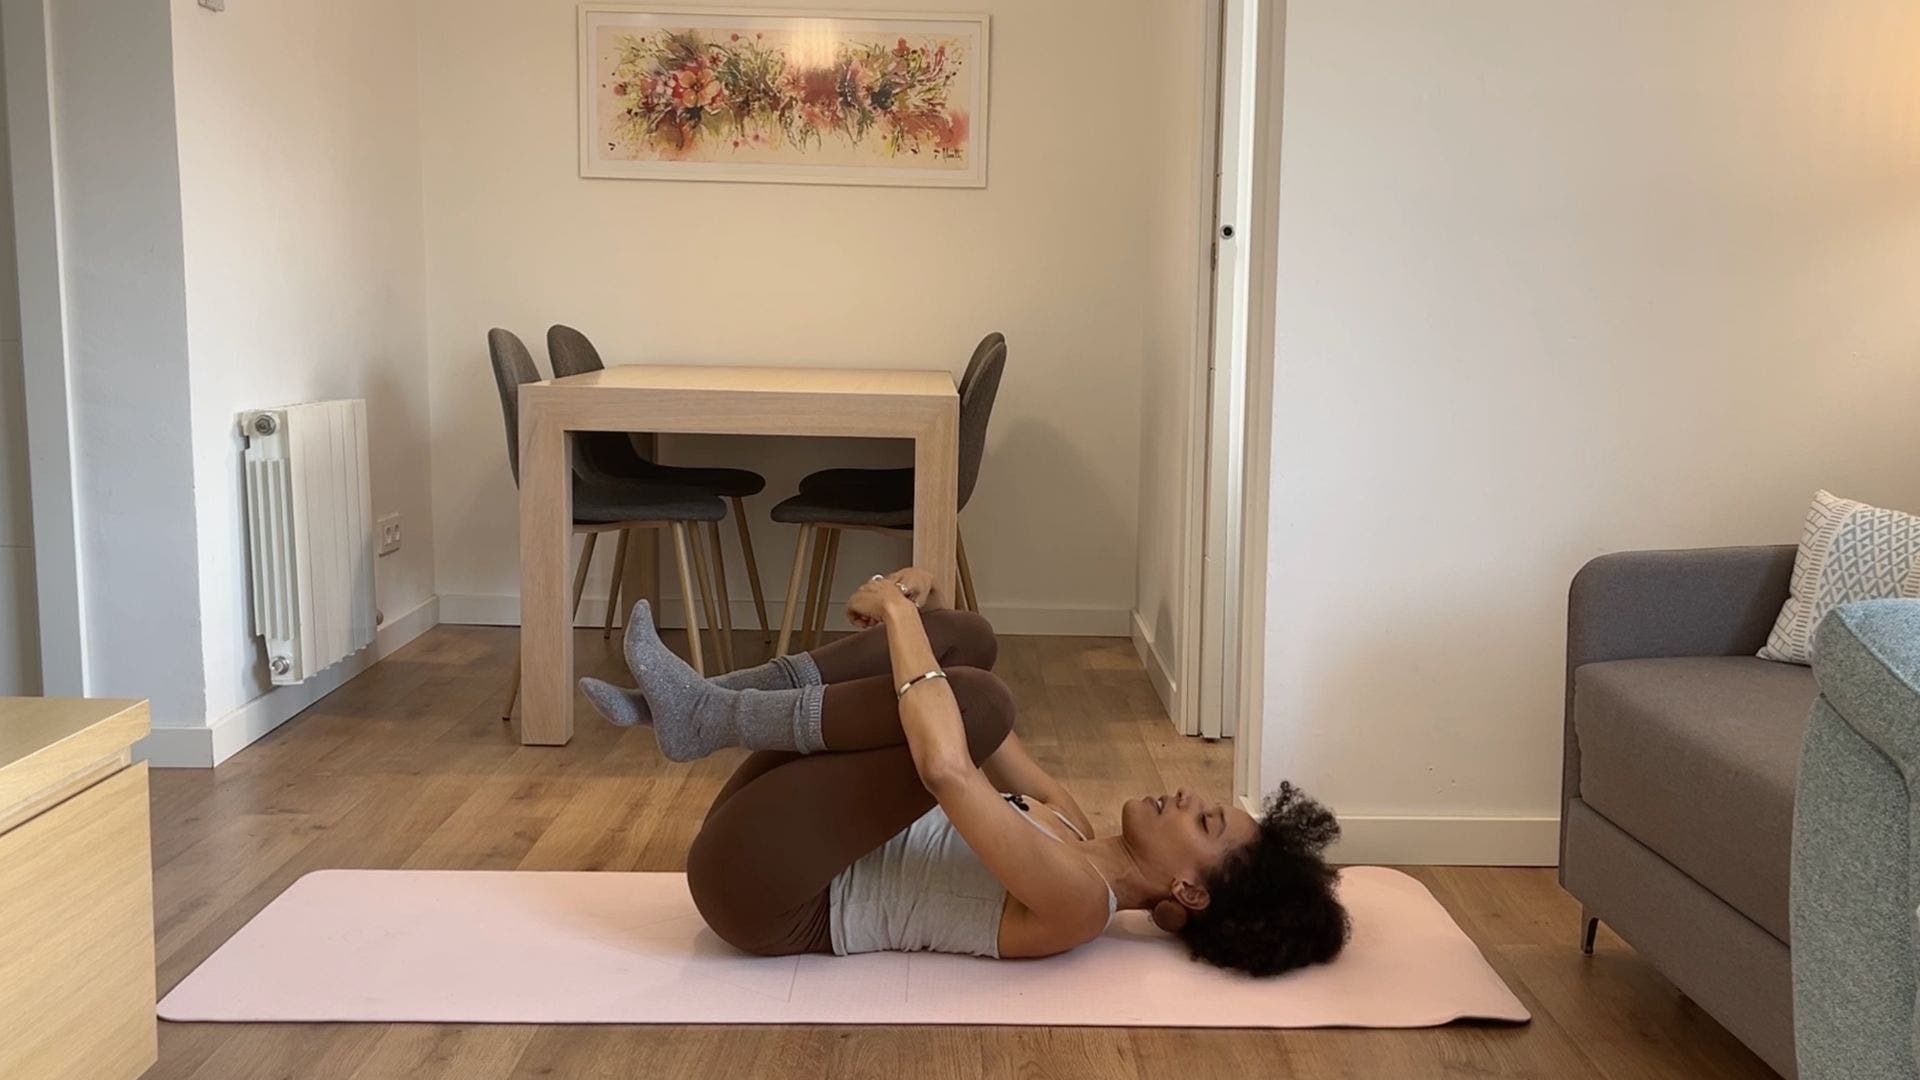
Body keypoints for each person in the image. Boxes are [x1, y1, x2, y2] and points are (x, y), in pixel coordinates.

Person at [580, 566, 1349, 975]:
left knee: (974, 703)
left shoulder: (1080, 905)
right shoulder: (1067, 819)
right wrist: (923, 606)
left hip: (768, 894)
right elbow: (951, 701)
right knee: (967, 639)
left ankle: (704, 714)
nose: (1187, 795)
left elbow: (949, 764)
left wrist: (897, 617)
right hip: (786, 838)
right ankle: (696, 710)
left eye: (1204, 820)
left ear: (1190, 890)